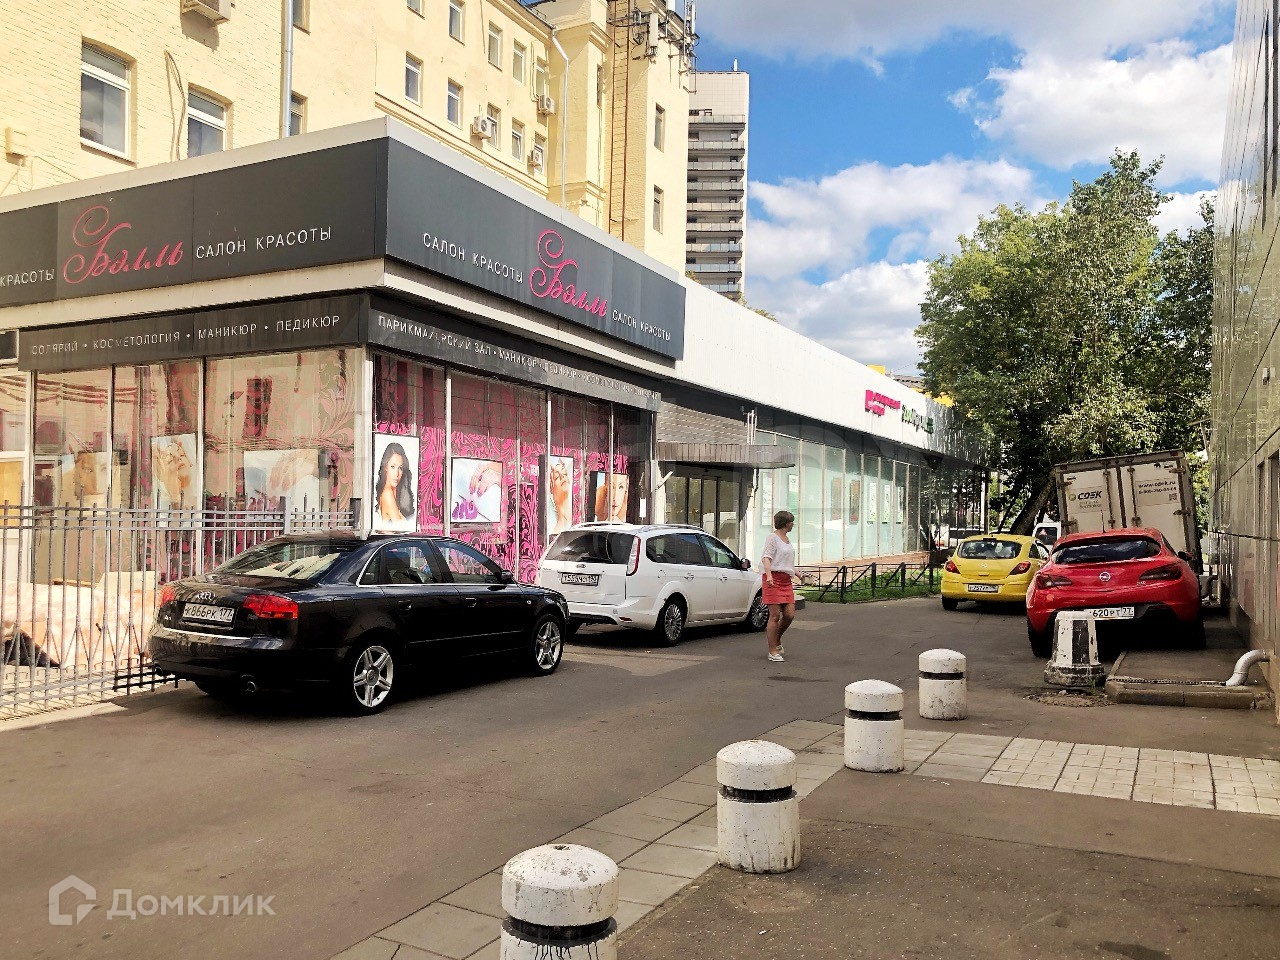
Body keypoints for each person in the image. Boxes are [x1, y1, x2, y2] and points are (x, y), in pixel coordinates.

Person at [760, 510, 798, 663]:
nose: (793, 524)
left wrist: (799, 573)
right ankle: (772, 651)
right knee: (775, 615)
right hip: (773, 579)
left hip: (785, 580)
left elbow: (786, 563)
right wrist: (769, 575)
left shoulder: (787, 539)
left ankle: (776, 639)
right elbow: (766, 558)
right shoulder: (772, 537)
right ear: (786, 523)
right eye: (792, 521)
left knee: (789, 615)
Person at [375, 442, 415, 529]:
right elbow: (401, 528)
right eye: (392, 467)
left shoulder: (394, 492)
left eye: (400, 468)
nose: (396, 474)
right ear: (386, 467)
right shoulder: (387, 493)